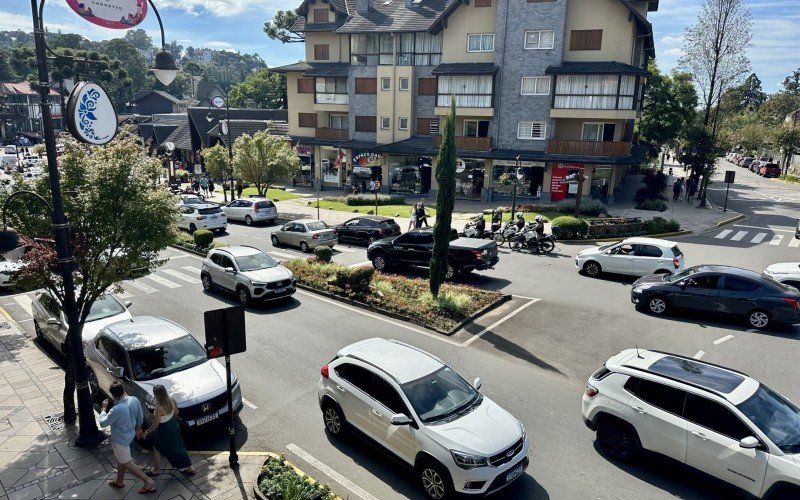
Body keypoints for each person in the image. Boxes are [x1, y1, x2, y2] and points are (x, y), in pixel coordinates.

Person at [99, 382, 156, 494]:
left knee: (127, 462)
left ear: (113, 395)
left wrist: (103, 409)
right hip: (130, 436)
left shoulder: (116, 409)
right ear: (123, 389)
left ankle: (148, 482)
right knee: (122, 459)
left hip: (120, 440)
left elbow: (102, 423)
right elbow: (140, 417)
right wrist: (138, 430)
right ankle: (119, 481)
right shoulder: (134, 400)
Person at [142, 385, 195, 477]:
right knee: (178, 446)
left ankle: (156, 470)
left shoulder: (159, 408)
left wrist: (146, 432)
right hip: (173, 425)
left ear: (157, 395)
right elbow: (176, 412)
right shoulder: (171, 400)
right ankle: (189, 466)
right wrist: (168, 416)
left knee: (157, 447)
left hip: (164, 429)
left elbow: (155, 425)